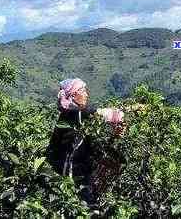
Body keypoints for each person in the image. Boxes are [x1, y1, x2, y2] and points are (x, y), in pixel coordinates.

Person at [45, 78, 126, 207]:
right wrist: (133, 109)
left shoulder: (70, 113)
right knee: (83, 207)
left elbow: (91, 144)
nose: (87, 94)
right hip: (71, 173)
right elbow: (114, 115)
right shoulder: (78, 112)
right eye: (83, 91)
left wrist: (115, 136)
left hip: (73, 170)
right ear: (73, 94)